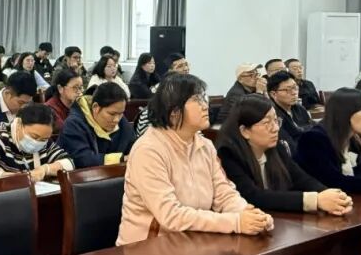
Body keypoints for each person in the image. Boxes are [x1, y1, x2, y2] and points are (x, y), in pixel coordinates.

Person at [117, 73, 273, 245]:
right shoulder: (148, 150)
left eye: (204, 98)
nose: (206, 106)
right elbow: (170, 215)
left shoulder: (205, 145)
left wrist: (249, 214)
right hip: (148, 246)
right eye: (197, 100)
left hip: (192, 240)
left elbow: (224, 194)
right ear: (174, 111)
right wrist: (235, 222)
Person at [217, 94, 352, 215]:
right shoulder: (227, 154)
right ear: (245, 131)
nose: (275, 128)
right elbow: (254, 197)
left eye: (276, 121)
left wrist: (331, 196)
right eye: (266, 123)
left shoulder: (276, 147)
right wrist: (315, 200)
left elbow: (300, 178)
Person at [0, 103, 73, 180]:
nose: (37, 142)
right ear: (19, 124)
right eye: (34, 136)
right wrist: (12, 178)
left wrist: (45, 169)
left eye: (43, 139)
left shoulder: (44, 140)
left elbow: (68, 163)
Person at [59, 82, 136, 168]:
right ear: (95, 107)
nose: (117, 120)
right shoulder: (74, 124)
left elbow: (134, 148)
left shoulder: (121, 122)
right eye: (112, 114)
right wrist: (121, 159)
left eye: (121, 113)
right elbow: (82, 159)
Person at [267, 70, 314, 153]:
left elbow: (313, 127)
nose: (294, 93)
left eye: (295, 88)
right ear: (273, 94)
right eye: (287, 90)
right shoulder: (272, 115)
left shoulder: (299, 108)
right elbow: (288, 143)